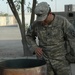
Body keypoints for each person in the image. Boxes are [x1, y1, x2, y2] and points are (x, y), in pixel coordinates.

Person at [26, 2, 75, 75]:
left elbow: (72, 39)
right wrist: (34, 47)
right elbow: (28, 36)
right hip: (44, 62)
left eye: (44, 18)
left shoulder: (62, 21)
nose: (42, 21)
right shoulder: (36, 24)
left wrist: (72, 56)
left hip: (61, 62)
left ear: (50, 13)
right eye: (40, 18)